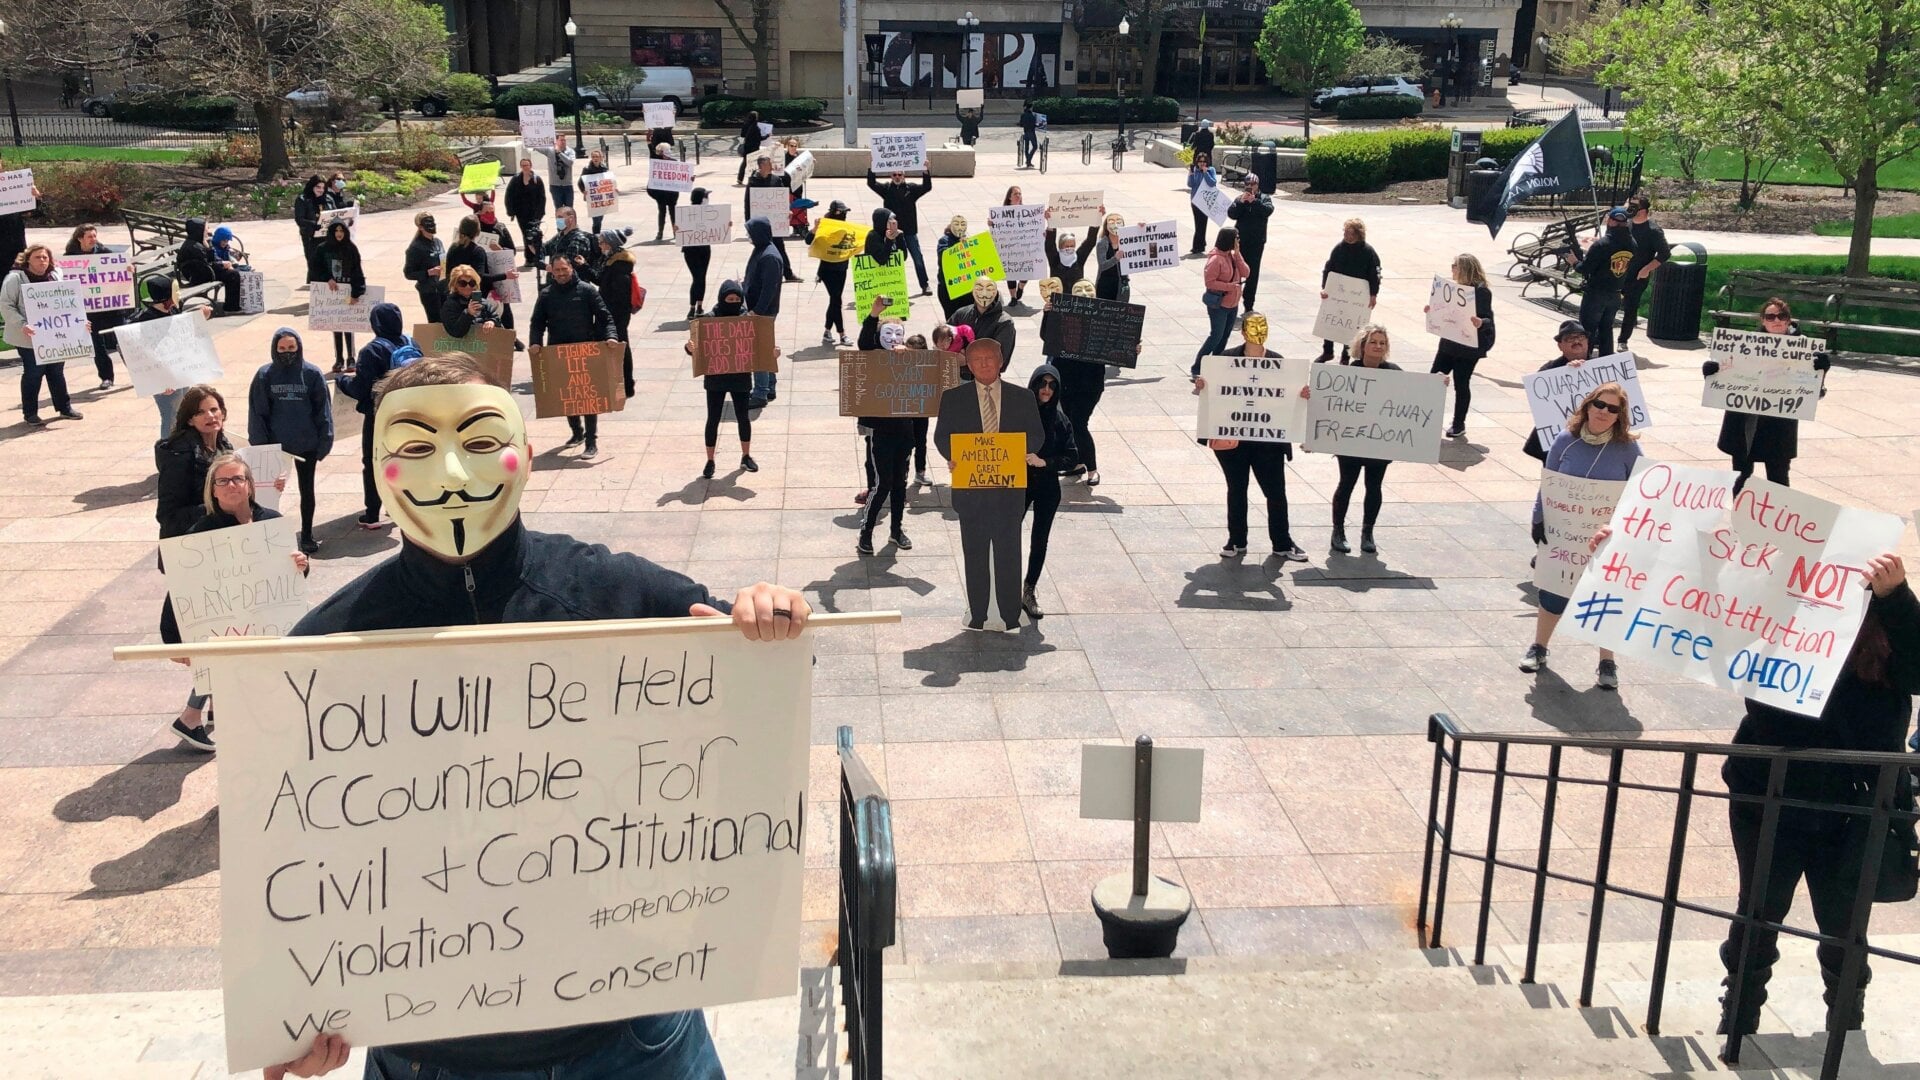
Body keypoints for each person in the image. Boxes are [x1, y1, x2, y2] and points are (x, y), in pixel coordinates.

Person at [264, 354, 810, 1080]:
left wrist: (769, 618)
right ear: (377, 462)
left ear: (522, 451)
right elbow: (287, 863)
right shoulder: (320, 655)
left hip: (631, 1036)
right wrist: (290, 1024)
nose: (454, 476)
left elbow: (752, 689)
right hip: (435, 1057)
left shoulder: (612, 590)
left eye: (482, 442)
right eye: (418, 449)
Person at [1713, 551, 1918, 1040]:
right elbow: (1694, 620)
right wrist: (1614, 559)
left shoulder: (1888, 627)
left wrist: (1897, 599)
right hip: (1769, 794)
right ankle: (1740, 1012)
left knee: (1844, 925)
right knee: (1758, 911)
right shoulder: (1773, 618)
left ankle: (1846, 1020)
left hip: (1857, 806)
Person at [156, 452, 311, 752]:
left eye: (238, 479)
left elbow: (291, 581)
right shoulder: (202, 535)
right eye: (223, 481)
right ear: (213, 489)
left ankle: (198, 718)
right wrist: (174, 641)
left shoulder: (273, 523)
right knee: (230, 675)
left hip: (264, 622)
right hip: (226, 629)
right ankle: (206, 724)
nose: (231, 486)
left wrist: (302, 565)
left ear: (250, 485)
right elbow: (180, 589)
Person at [1519, 382, 1642, 684]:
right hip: (1564, 535)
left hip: (1606, 537)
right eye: (1599, 404)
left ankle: (1607, 663)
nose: (1603, 412)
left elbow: (1641, 492)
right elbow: (1548, 483)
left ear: (1620, 415)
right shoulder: (1565, 440)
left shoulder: (1628, 448)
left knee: (1605, 598)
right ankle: (1539, 647)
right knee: (1553, 594)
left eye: (1612, 408)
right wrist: (1539, 519)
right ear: (1588, 405)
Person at [936, 339, 1046, 632]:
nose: (984, 364)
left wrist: (1021, 452)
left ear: (1000, 361)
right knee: (975, 554)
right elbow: (941, 437)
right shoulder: (953, 398)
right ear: (968, 366)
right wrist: (954, 457)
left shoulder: (1022, 397)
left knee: (1009, 553)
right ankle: (978, 613)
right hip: (971, 492)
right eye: (977, 360)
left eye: (990, 358)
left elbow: (1036, 435)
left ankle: (1011, 614)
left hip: (1008, 492)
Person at [154, 389, 237, 752]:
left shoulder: (225, 446)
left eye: (215, 410)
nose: (211, 417)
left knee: (225, 634)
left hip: (222, 554)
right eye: (203, 412)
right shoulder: (180, 454)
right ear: (189, 418)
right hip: (194, 556)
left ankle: (218, 707)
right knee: (214, 639)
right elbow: (167, 513)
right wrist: (213, 507)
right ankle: (190, 717)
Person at [1191, 314, 1308, 561]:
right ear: (1243, 332)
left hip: (1268, 441)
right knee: (1237, 489)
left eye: (1262, 326)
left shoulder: (1279, 362)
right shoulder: (1225, 360)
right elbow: (1212, 391)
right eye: (1253, 326)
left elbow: (1286, 399)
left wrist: (1301, 395)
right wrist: (1202, 386)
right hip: (1233, 440)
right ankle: (1236, 540)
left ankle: (1282, 543)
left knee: (1275, 492)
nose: (1258, 330)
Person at [1702, 296, 1829, 494]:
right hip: (1745, 421)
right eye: (1770, 317)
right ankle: (1740, 518)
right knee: (1741, 476)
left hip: (1779, 423)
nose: (1777, 320)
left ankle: (1778, 520)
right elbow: (1725, 381)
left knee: (1778, 477)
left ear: (1789, 319)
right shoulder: (1742, 345)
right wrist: (1712, 372)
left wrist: (1821, 372)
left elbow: (1814, 393)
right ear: (1762, 320)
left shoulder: (1805, 350)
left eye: (1782, 316)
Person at [247, 328, 332, 554]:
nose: (287, 353)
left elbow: (323, 410)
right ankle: (268, 535)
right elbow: (258, 412)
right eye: (282, 349)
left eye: (291, 348)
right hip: (276, 445)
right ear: (275, 349)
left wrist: (324, 441)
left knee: (307, 491)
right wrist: (261, 446)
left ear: (299, 347)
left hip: (306, 444)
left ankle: (306, 534)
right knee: (268, 493)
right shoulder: (265, 375)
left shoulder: (312, 374)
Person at [529, 252, 617, 458]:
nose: (561, 273)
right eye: (557, 270)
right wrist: (535, 343)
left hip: (586, 350)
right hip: (558, 351)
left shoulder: (587, 290)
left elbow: (605, 317)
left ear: (571, 269)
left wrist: (610, 337)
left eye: (564, 269)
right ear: (552, 271)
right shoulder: (546, 294)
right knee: (567, 396)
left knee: (588, 397)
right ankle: (577, 432)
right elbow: (537, 322)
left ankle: (591, 441)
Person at [338, 303, 413, 530]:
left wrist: (342, 381)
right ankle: (403, 506)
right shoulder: (411, 343)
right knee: (404, 459)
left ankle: (372, 514)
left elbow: (360, 388)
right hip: (407, 414)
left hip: (379, 416)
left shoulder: (372, 351)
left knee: (372, 462)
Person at [1327, 325, 1399, 555]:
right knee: (1346, 483)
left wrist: (1438, 383)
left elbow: (1414, 396)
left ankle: (1368, 532)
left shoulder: (1394, 372)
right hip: (1351, 441)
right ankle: (1338, 531)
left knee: (1374, 486)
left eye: (1382, 343)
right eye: (1373, 342)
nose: (1378, 346)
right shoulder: (1348, 373)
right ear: (1362, 345)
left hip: (1380, 441)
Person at [854, 299, 916, 555]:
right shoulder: (872, 357)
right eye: (887, 334)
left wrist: (910, 356)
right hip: (881, 432)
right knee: (883, 484)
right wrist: (874, 315)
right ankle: (866, 531)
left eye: (897, 334)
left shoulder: (908, 359)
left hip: (904, 431)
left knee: (900, 484)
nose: (893, 339)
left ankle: (896, 530)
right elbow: (864, 344)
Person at [2, 244, 85, 426]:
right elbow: (6, 305)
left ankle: (64, 408)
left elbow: (68, 303)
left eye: (45, 257)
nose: (42, 261)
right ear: (28, 260)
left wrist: (79, 323)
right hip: (27, 337)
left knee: (56, 371)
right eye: (38, 257)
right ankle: (30, 413)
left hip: (54, 336)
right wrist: (22, 325)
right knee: (33, 372)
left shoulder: (56, 276)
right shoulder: (15, 279)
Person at [1020, 364, 1077, 618]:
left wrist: (1045, 462)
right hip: (1019, 483)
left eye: (1052, 385)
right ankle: (1003, 585)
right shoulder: (1018, 414)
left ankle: (1029, 589)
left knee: (1039, 539)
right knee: (1007, 535)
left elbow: (1072, 456)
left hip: (1047, 486)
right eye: (1042, 384)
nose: (1046, 390)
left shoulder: (1061, 420)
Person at [126, 276, 214, 436]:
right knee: (170, 415)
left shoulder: (172, 311)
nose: (179, 295)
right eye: (175, 291)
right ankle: (168, 449)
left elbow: (181, 335)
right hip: (162, 379)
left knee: (183, 412)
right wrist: (159, 381)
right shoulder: (147, 319)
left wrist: (200, 319)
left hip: (178, 372)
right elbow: (143, 355)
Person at [688, 280, 758, 477]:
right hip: (716, 377)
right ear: (722, 298)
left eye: (737, 299)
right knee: (713, 418)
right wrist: (690, 348)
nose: (733, 302)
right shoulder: (709, 320)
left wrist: (772, 353)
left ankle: (746, 455)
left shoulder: (747, 321)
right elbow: (696, 347)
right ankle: (710, 460)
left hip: (740, 376)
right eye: (730, 299)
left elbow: (759, 346)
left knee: (743, 417)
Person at [1425, 252, 1495, 439]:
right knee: (1433, 379)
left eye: (1455, 265)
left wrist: (1481, 322)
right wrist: (1431, 312)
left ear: (1464, 268)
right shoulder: (1454, 289)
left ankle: (1458, 423)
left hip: (1468, 346)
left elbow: (1488, 317)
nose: (1452, 269)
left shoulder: (1480, 292)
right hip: (1449, 342)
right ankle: (1427, 418)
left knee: (1461, 383)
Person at [64, 223, 126, 388]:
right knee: (97, 346)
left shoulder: (104, 253)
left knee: (126, 341)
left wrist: (128, 269)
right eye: (89, 237)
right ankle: (106, 377)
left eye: (95, 236)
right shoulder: (69, 258)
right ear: (79, 239)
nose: (93, 240)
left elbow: (119, 269)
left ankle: (138, 371)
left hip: (111, 308)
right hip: (89, 311)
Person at [1523, 320, 1592, 461]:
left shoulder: (1603, 367)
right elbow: (1538, 393)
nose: (1576, 341)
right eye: (1570, 339)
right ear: (1560, 346)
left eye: (1580, 337)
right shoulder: (1549, 370)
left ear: (1587, 341)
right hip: (1558, 441)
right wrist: (1567, 371)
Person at [1318, 218, 1382, 362]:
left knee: (1351, 325)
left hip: (1356, 296)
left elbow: (1375, 274)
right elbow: (1328, 269)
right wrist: (1325, 288)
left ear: (1358, 234)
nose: (1347, 236)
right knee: (1330, 320)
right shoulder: (1339, 249)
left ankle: (1346, 355)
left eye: (1350, 233)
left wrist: (1373, 294)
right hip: (1338, 292)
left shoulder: (1368, 252)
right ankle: (1327, 351)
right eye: (1345, 233)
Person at [308, 219, 365, 373]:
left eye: (341, 231)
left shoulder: (351, 249)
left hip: (347, 290)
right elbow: (314, 268)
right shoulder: (323, 249)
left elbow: (357, 271)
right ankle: (339, 358)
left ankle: (351, 357)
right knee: (336, 326)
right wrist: (327, 278)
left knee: (348, 325)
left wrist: (356, 292)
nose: (339, 234)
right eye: (336, 231)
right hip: (332, 293)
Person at [1578, 207, 1636, 356]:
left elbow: (1585, 268)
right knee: (1606, 329)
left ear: (1610, 220)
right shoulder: (1632, 243)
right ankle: (1606, 361)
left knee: (1587, 330)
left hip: (1596, 293)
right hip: (1615, 294)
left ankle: (1585, 361)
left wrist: (1573, 261)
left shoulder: (1602, 245)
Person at [866, 168, 934, 295]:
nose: (897, 177)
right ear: (890, 176)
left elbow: (927, 187)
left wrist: (926, 171)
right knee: (889, 259)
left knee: (917, 258)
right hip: (892, 232)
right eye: (894, 174)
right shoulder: (886, 189)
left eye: (900, 174)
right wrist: (872, 167)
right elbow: (871, 184)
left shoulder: (911, 189)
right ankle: (887, 286)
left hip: (909, 231)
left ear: (904, 175)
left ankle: (925, 285)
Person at [1617, 193, 1671, 348]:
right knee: (1609, 305)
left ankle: (1623, 340)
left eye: (1634, 206)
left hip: (1637, 276)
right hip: (1619, 272)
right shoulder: (1626, 224)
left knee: (1630, 307)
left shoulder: (1653, 231)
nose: (1629, 209)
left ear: (1643, 210)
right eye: (1629, 206)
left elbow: (1665, 253)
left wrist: (1646, 269)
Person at [1193, 227, 1248, 375]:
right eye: (1236, 238)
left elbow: (1246, 272)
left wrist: (1238, 255)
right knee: (1216, 336)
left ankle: (1215, 364)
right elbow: (1209, 282)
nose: (1238, 241)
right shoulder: (1215, 259)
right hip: (1219, 305)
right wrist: (1230, 287)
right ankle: (1198, 366)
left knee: (1224, 336)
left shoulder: (1232, 256)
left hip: (1233, 304)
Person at [743, 216, 785, 407]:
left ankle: (760, 392)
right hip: (760, 310)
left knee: (758, 352)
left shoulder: (769, 256)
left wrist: (757, 311)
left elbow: (770, 288)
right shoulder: (762, 250)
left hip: (763, 312)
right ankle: (769, 386)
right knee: (766, 349)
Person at [598, 229, 642, 398]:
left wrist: (611, 316)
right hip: (613, 312)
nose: (600, 245)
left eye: (602, 242)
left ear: (610, 244)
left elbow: (617, 295)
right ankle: (624, 384)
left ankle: (627, 385)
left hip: (617, 314)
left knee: (621, 347)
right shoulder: (611, 261)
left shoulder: (619, 266)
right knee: (621, 346)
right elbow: (600, 280)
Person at [744, 154, 799, 282]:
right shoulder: (753, 182)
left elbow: (781, 198)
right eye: (769, 164)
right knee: (760, 250)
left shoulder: (775, 180)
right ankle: (755, 275)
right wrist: (749, 225)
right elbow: (748, 204)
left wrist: (787, 210)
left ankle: (788, 273)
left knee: (780, 247)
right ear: (762, 165)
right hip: (760, 225)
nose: (772, 166)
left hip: (775, 223)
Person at [1226, 173, 1274, 316]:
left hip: (1256, 242)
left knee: (1252, 274)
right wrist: (1241, 202)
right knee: (1236, 271)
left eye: (1252, 185)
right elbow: (1231, 213)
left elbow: (1268, 211)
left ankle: (1249, 304)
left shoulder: (1264, 198)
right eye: (1247, 185)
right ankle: (1231, 301)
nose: (1249, 188)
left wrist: (1255, 202)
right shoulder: (1240, 199)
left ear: (1257, 185)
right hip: (1241, 242)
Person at [176, 216, 242, 315]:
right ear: (199, 230)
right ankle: (231, 307)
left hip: (203, 272)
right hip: (198, 277)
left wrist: (209, 247)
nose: (208, 231)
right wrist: (222, 265)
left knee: (233, 271)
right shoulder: (193, 247)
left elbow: (211, 260)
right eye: (206, 228)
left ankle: (232, 305)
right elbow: (206, 264)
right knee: (233, 275)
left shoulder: (198, 242)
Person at [953, 276, 1017, 374]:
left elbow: (999, 360)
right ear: (973, 291)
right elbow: (944, 338)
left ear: (995, 292)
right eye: (979, 289)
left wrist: (966, 360)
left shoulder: (1005, 322)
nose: (984, 293)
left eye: (989, 289)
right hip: (958, 376)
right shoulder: (961, 313)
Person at [816, 199, 854, 347]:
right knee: (836, 300)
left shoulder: (846, 226)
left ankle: (827, 331)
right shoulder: (825, 226)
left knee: (834, 300)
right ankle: (842, 334)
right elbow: (809, 241)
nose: (843, 215)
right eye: (841, 212)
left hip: (841, 269)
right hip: (827, 270)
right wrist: (814, 230)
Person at [401, 211, 446, 323]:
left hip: (443, 289)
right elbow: (408, 273)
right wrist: (428, 273)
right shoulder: (415, 248)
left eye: (433, 222)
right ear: (421, 227)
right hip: (429, 292)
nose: (432, 225)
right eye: (428, 223)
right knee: (436, 322)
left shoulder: (438, 242)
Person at [503, 156, 548, 263]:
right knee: (526, 234)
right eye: (523, 165)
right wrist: (511, 211)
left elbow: (542, 197)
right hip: (521, 213)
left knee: (534, 235)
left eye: (527, 165)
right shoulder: (515, 179)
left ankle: (537, 256)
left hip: (535, 213)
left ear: (530, 166)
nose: (525, 167)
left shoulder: (537, 179)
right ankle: (529, 257)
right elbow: (509, 195)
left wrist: (540, 213)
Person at [439, 265, 503, 336]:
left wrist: (492, 322)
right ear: (455, 285)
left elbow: (496, 319)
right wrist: (468, 314)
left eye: (472, 283)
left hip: (483, 344)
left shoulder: (483, 302)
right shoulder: (450, 305)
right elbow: (455, 332)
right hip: (462, 346)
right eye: (462, 283)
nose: (468, 286)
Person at [1044, 213, 1099, 293]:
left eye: (1072, 246)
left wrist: (1096, 220)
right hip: (1059, 300)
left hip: (1076, 299)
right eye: (1066, 246)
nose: (1069, 248)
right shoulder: (1055, 259)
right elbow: (1050, 244)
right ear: (1061, 246)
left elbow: (1090, 242)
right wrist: (1051, 222)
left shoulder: (1079, 258)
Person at [682, 187, 714, 319]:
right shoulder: (686, 213)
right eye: (706, 196)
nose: (708, 199)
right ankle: (692, 307)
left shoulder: (709, 212)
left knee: (702, 277)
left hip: (704, 248)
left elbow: (716, 227)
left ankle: (699, 306)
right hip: (690, 250)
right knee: (697, 277)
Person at [935, 215, 972, 319]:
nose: (960, 227)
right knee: (952, 320)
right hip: (948, 289)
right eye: (956, 224)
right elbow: (943, 256)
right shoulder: (944, 240)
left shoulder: (968, 241)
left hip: (965, 289)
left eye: (963, 225)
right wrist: (958, 247)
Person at [543, 206, 596, 278]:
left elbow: (567, 264)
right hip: (557, 282)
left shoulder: (579, 239)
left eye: (560, 217)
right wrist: (532, 242)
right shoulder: (560, 235)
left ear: (571, 218)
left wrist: (549, 267)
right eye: (556, 218)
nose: (558, 221)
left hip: (573, 283)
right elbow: (543, 250)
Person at [292, 174, 327, 274]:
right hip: (309, 235)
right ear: (312, 186)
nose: (321, 190)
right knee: (313, 260)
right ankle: (314, 282)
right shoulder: (302, 199)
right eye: (318, 187)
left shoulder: (325, 199)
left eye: (323, 188)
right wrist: (313, 224)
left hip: (323, 234)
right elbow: (299, 219)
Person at [648, 141, 682, 242]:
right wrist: (650, 140)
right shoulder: (656, 161)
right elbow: (651, 150)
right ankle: (660, 232)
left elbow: (681, 176)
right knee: (662, 211)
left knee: (673, 212)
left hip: (672, 192)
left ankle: (675, 231)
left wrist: (690, 178)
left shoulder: (674, 162)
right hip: (661, 193)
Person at [1186, 152, 1219, 256]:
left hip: (1205, 200)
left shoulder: (1211, 170)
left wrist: (1205, 173)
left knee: (1202, 223)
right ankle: (1200, 244)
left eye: (1204, 162)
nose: (1202, 163)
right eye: (1200, 161)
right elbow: (1191, 184)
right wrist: (1191, 175)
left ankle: (1198, 246)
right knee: (1198, 223)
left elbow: (1212, 183)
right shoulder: (1195, 170)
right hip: (1195, 200)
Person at [1096, 212, 1131, 304]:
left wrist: (1142, 227)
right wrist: (1115, 258)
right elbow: (1102, 265)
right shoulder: (1102, 243)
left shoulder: (1127, 241)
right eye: (1111, 222)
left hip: (1122, 285)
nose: (1115, 225)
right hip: (1106, 284)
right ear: (1106, 226)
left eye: (1119, 222)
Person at [577, 147, 611, 233]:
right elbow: (580, 182)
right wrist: (583, 192)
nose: (595, 158)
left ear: (601, 158)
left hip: (602, 197)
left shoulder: (604, 168)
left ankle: (597, 234)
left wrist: (613, 189)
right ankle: (596, 235)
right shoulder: (587, 169)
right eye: (593, 157)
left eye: (597, 157)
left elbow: (608, 181)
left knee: (600, 218)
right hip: (593, 198)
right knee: (596, 219)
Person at [736, 109, 765, 185]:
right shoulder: (756, 127)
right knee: (755, 164)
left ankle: (740, 178)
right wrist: (767, 135)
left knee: (744, 163)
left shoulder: (746, 124)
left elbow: (742, 134)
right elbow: (760, 138)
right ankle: (753, 179)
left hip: (747, 146)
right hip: (754, 147)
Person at [548, 134, 576, 210]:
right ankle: (560, 222)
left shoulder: (570, 151)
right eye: (561, 140)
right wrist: (525, 134)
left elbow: (570, 162)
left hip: (567, 185)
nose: (563, 142)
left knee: (569, 209)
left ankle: (571, 222)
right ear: (556, 141)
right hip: (555, 185)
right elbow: (535, 146)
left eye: (564, 140)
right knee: (559, 209)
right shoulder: (550, 151)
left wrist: (559, 153)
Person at [1018, 102, 1039, 168]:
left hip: (1026, 132)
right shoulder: (1032, 115)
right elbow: (1033, 124)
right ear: (1030, 108)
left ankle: (1028, 161)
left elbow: (1021, 124)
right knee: (1035, 146)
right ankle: (1028, 160)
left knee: (1026, 148)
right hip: (1031, 132)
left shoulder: (1023, 115)